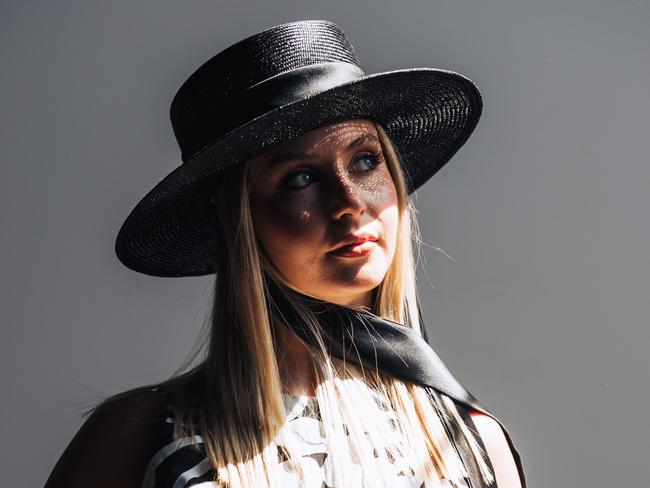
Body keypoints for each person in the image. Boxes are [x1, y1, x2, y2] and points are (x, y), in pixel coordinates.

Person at [44, 19, 527, 488]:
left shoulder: (467, 444)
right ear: (237, 219)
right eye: (300, 177)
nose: (350, 202)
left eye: (364, 160)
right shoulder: (139, 436)